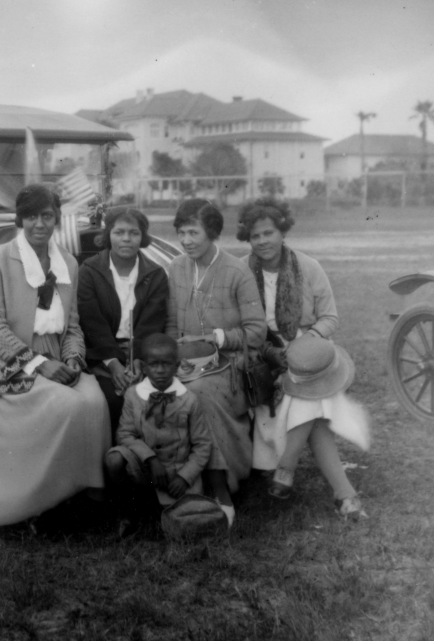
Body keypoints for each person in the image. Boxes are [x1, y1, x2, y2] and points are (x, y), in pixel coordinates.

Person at [0, 183, 110, 526]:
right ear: (20, 220)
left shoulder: (69, 264)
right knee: (68, 405)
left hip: (57, 359)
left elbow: (72, 325)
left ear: (57, 219)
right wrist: (39, 364)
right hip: (8, 362)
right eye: (31, 216)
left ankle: (86, 497)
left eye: (47, 216)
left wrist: (74, 360)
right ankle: (35, 503)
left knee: (94, 402)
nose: (39, 224)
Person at [238, 196, 369, 519]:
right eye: (255, 236)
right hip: (261, 352)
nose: (263, 241)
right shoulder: (240, 270)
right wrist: (272, 351)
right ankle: (343, 493)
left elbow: (330, 318)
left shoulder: (308, 267)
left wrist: (306, 344)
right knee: (315, 413)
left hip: (307, 349)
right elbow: (237, 322)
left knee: (308, 389)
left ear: (282, 231)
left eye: (268, 232)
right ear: (248, 239)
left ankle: (287, 469)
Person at [163, 198, 266, 522]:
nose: (186, 240)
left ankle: (220, 487)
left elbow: (257, 331)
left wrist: (218, 338)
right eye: (181, 232)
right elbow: (170, 325)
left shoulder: (237, 271)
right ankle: (183, 491)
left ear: (212, 232)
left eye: (193, 232)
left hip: (230, 364)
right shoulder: (177, 267)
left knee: (198, 395)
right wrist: (173, 357)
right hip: (185, 364)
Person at [77, 206, 170, 436]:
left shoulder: (155, 274)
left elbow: (152, 323)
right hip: (102, 356)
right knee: (111, 400)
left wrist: (139, 359)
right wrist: (113, 363)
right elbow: (91, 322)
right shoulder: (90, 271)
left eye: (133, 233)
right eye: (119, 232)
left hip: (141, 355)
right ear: (108, 234)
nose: (126, 239)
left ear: (143, 237)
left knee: (152, 399)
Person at [104, 333, 214, 511]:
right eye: (154, 364)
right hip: (146, 467)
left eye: (166, 364)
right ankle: (128, 508)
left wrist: (185, 477)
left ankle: (169, 504)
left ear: (177, 366)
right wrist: (150, 459)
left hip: (177, 471)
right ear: (145, 367)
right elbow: (125, 434)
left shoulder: (189, 400)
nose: (160, 370)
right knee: (114, 458)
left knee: (185, 521)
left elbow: (202, 445)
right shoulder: (133, 395)